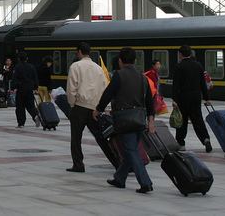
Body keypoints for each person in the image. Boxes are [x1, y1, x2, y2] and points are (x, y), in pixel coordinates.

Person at [94, 47, 156, 194]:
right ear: (135, 60)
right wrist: (151, 120)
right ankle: (119, 178)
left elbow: (108, 94)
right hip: (139, 118)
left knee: (131, 151)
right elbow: (149, 101)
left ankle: (145, 182)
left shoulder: (119, 75)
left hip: (125, 119)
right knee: (131, 150)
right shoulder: (143, 77)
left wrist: (98, 109)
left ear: (121, 61)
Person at [65, 42, 107, 173]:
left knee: (76, 138)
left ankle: (78, 164)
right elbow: (104, 87)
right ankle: (117, 162)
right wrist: (100, 106)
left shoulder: (75, 66)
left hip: (80, 107)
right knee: (101, 137)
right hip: (94, 108)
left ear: (79, 52)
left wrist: (72, 104)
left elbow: (71, 88)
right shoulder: (98, 68)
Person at [172, 45, 213, 153]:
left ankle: (181, 143)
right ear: (190, 53)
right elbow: (203, 83)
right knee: (198, 119)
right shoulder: (198, 65)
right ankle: (205, 139)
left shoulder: (179, 66)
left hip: (183, 97)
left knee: (182, 121)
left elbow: (175, 85)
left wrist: (174, 100)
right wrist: (206, 98)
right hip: (195, 97)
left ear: (180, 54)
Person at [11, 52, 41, 128]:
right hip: (29, 89)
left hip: (21, 89)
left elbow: (14, 79)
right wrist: (35, 87)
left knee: (20, 107)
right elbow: (35, 78)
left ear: (19, 59)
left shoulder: (17, 67)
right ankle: (35, 116)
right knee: (30, 105)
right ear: (26, 58)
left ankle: (21, 123)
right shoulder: (31, 67)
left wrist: (13, 87)